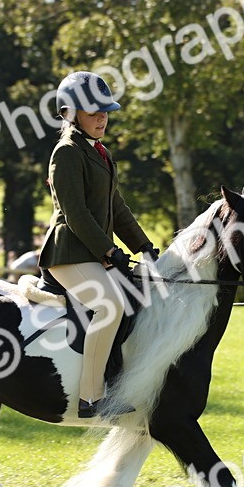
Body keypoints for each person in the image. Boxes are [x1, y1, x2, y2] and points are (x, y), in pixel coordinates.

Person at [38, 70, 157, 419]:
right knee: (109, 304)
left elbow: (116, 208)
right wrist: (109, 252)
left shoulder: (100, 153)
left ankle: (121, 377)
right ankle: (92, 398)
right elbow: (76, 215)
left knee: (138, 297)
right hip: (68, 252)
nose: (102, 117)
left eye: (105, 110)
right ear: (70, 114)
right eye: (94, 111)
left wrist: (145, 248)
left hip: (92, 253)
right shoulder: (67, 153)